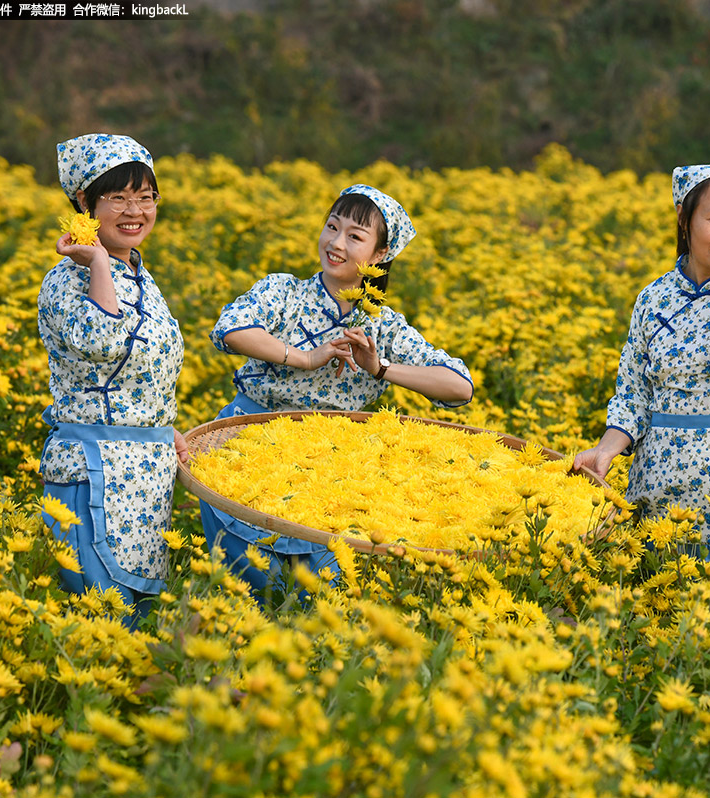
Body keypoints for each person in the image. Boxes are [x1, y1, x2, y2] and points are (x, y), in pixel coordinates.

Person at [203, 184, 473, 598]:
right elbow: (232, 330)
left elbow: (459, 386)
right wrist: (307, 358)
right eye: (332, 226)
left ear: (379, 256)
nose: (335, 242)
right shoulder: (285, 292)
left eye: (355, 236)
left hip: (330, 465)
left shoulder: (381, 324)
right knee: (251, 588)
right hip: (249, 446)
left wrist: (380, 368)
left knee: (320, 597)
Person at [574, 164, 710, 556]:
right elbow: (633, 395)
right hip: (658, 486)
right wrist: (606, 450)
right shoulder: (653, 298)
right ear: (683, 219)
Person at [38, 133, 187, 627]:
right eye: (118, 197)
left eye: (146, 197)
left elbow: (144, 376)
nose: (135, 210)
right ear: (84, 202)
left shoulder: (140, 274)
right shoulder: (68, 277)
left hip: (145, 480)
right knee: (97, 627)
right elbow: (105, 341)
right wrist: (97, 259)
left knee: (138, 629)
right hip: (92, 472)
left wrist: (162, 429)